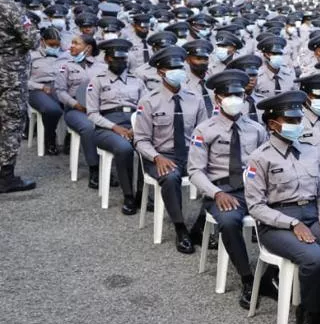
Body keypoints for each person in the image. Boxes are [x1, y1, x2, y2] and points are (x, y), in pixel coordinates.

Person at [245, 90, 320, 324]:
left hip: (312, 214)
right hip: (277, 223)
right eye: (291, 121)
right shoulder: (260, 158)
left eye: (298, 120)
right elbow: (255, 206)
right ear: (273, 124)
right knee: (315, 259)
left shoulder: (311, 152)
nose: (297, 125)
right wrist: (292, 223)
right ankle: (308, 313)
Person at [187, 69, 269, 309]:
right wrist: (216, 193)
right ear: (217, 99)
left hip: (252, 189)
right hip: (221, 190)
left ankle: (270, 276)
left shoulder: (256, 129)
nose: (235, 99)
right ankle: (247, 278)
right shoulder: (205, 130)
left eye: (239, 94)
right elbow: (195, 171)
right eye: (228, 94)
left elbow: (267, 162)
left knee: (284, 217)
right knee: (230, 222)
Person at [134, 46, 209, 254]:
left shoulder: (195, 98)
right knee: (170, 176)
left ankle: (200, 227)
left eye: (180, 67)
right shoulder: (149, 101)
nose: (178, 71)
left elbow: (203, 133)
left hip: (190, 154)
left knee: (221, 175)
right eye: (172, 68)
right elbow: (140, 140)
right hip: (161, 155)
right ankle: (180, 228)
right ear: (160, 72)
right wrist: (156, 157)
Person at [87, 39, 146, 214]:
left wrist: (137, 128)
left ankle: (143, 194)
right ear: (107, 59)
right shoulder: (97, 81)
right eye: (115, 59)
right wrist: (115, 127)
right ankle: (128, 195)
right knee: (124, 148)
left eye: (123, 60)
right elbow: (92, 113)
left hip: (134, 122)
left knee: (148, 146)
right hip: (107, 127)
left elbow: (145, 108)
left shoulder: (137, 81)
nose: (120, 63)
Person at [0, 0, 38, 193]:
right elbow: (32, 39)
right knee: (11, 123)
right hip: (10, 75)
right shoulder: (10, 8)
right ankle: (5, 177)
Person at [54, 35, 104, 187]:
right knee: (88, 127)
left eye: (76, 43)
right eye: (72, 43)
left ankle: (110, 167)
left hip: (98, 108)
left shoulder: (102, 67)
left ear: (88, 48)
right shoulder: (66, 66)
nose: (71, 46)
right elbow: (60, 91)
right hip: (75, 110)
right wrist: (75, 104)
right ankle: (94, 170)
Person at [26, 27, 69, 156]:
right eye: (51, 44)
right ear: (42, 41)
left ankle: (69, 139)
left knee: (76, 106)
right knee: (52, 110)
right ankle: (50, 138)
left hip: (59, 88)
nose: (54, 47)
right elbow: (23, 80)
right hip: (37, 90)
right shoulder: (31, 56)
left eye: (57, 44)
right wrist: (41, 87)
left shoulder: (65, 56)